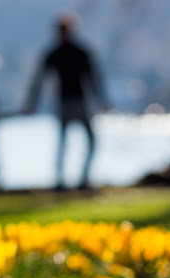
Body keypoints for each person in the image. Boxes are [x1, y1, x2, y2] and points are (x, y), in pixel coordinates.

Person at [25, 13, 109, 191]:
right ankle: (69, 180)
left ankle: (76, 179)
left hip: (74, 102)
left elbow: (93, 78)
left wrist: (32, 103)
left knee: (73, 142)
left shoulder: (67, 52)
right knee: (69, 142)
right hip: (70, 103)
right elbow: (93, 79)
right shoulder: (68, 52)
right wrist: (102, 100)